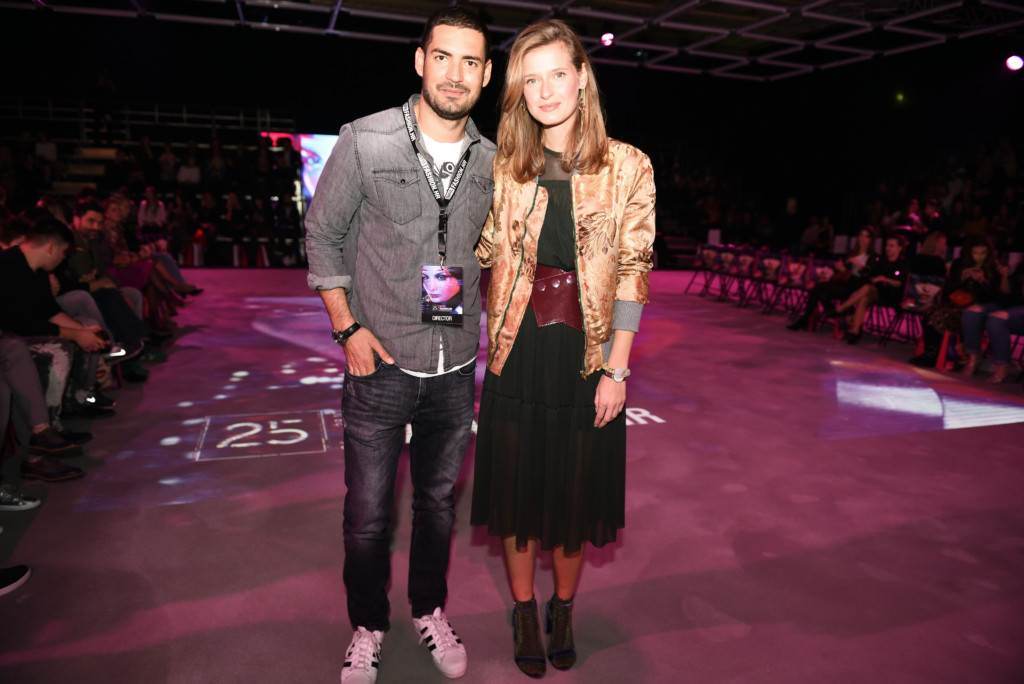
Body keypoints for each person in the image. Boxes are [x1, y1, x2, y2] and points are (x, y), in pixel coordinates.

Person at [304, 7, 494, 683]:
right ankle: (367, 624)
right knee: (367, 516)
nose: (455, 74)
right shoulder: (366, 140)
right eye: (443, 57)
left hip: (456, 368)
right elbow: (322, 235)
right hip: (379, 361)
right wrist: (346, 328)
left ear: (486, 75)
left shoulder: (493, 160)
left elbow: (499, 254)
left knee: (438, 506)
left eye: (470, 62)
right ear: (420, 61)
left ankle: (428, 609)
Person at [470, 19, 656, 678]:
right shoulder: (504, 165)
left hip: (588, 360)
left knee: (574, 502)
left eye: (557, 74)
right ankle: (524, 610)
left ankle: (564, 608)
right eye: (531, 79)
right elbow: (481, 249)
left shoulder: (627, 165)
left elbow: (634, 269)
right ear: (518, 90)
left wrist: (617, 369)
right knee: (518, 499)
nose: (546, 91)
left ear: (582, 77)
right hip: (517, 353)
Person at [787, 226, 875, 331]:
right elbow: (842, 271)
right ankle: (832, 314)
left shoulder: (872, 256)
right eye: (861, 235)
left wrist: (852, 268)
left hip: (855, 288)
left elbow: (867, 277)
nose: (862, 238)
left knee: (821, 290)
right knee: (819, 289)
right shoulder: (852, 253)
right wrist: (840, 268)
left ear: (871, 240)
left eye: (866, 236)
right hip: (844, 283)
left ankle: (810, 318)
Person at [834, 234, 908, 344]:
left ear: (899, 248)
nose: (887, 248)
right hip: (876, 292)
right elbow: (871, 277)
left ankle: (841, 310)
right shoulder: (882, 260)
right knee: (864, 296)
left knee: (866, 291)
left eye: (891, 246)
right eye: (887, 245)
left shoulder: (902, 264)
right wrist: (872, 276)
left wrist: (885, 279)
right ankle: (854, 332)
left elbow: (899, 283)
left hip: (891, 295)